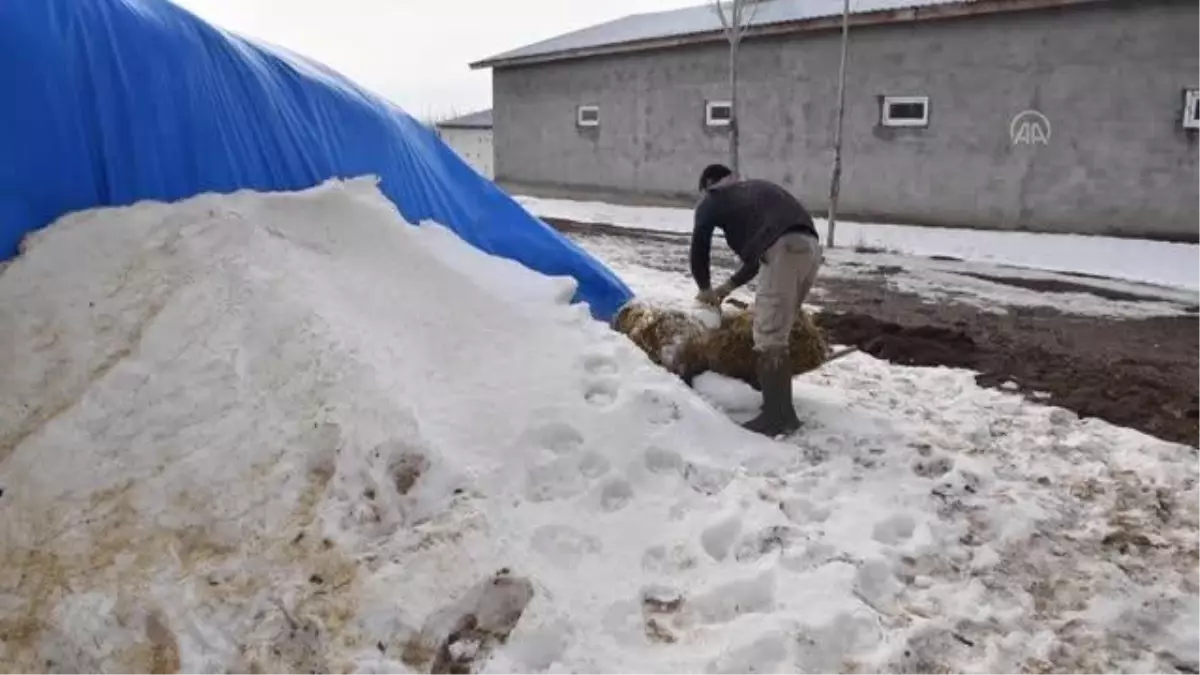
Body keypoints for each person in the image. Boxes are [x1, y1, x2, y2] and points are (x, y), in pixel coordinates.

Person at [689, 163, 824, 437]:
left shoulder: (714, 197)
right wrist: (726, 288)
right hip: (809, 248)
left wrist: (704, 289)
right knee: (780, 328)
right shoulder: (752, 193)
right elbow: (758, 258)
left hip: (784, 248)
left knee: (768, 334)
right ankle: (780, 409)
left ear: (708, 186)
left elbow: (699, 246)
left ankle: (777, 417)